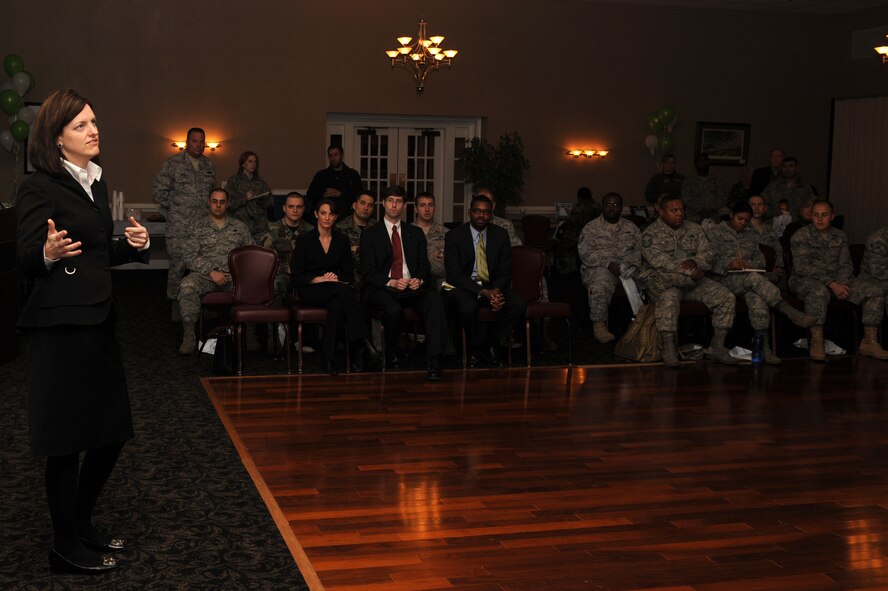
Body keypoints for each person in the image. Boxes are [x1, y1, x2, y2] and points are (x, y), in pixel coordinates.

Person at [16, 89, 150, 574]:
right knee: (66, 439)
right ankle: (63, 544)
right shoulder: (38, 187)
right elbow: (25, 257)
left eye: (94, 121)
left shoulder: (94, 182)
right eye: (81, 125)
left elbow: (94, 253)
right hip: (60, 325)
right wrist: (47, 253)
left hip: (99, 320)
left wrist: (132, 246)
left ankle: (80, 521)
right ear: (56, 138)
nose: (94, 130)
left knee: (110, 432)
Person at [704, 202, 814, 364]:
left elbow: (761, 261)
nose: (743, 223)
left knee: (758, 298)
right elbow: (706, 262)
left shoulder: (751, 234)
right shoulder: (714, 233)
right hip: (722, 280)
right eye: (740, 218)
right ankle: (789, 311)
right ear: (731, 215)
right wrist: (728, 265)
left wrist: (748, 264)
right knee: (754, 280)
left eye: (746, 220)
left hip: (747, 279)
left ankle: (763, 347)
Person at [638, 195, 737, 368]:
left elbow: (709, 254)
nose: (679, 214)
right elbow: (661, 263)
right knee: (668, 299)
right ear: (661, 212)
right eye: (674, 210)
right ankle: (669, 349)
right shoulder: (650, 234)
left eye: (682, 209)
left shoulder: (695, 229)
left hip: (694, 282)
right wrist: (690, 270)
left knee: (726, 297)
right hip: (668, 283)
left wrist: (696, 262)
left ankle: (717, 346)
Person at [361, 186, 446, 380]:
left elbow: (424, 266)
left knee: (434, 300)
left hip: (411, 287)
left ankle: (435, 361)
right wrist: (390, 282)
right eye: (390, 200)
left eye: (398, 201)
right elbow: (368, 272)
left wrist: (420, 279)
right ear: (383, 203)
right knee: (392, 309)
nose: (394, 205)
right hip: (384, 288)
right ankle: (391, 353)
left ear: (404, 205)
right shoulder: (370, 234)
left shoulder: (415, 233)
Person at [788, 200, 888, 362]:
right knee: (818, 291)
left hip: (838, 281)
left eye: (824, 215)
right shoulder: (800, 235)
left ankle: (869, 341)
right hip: (805, 280)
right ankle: (817, 340)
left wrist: (842, 284)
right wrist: (832, 284)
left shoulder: (840, 235)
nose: (820, 219)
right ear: (811, 217)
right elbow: (803, 267)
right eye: (816, 215)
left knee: (875, 291)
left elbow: (846, 264)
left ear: (832, 217)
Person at [291, 198, 380, 375]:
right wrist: (318, 279)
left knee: (337, 307)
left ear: (336, 217)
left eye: (331, 214)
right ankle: (359, 342)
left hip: (335, 290)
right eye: (323, 213)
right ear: (316, 214)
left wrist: (335, 277)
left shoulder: (341, 240)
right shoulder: (304, 240)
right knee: (345, 292)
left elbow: (348, 273)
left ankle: (328, 359)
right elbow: (297, 276)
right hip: (310, 291)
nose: (326, 217)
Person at [444, 194, 526, 367]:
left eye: (486, 212)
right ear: (469, 212)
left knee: (518, 303)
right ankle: (473, 349)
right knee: (467, 307)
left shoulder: (500, 235)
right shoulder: (454, 236)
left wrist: (495, 291)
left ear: (491, 214)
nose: (481, 216)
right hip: (465, 286)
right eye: (477, 211)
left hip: (492, 285)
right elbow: (454, 275)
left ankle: (492, 343)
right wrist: (483, 292)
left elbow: (505, 271)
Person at [177, 188, 253, 354]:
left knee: (254, 288)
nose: (218, 206)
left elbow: (250, 254)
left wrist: (238, 273)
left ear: (228, 204)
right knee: (187, 286)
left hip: (234, 278)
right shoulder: (197, 227)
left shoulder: (239, 227)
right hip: (205, 277)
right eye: (214, 201)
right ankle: (189, 337)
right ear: (208, 203)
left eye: (222, 202)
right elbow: (188, 255)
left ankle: (250, 338)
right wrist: (211, 271)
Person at [153, 127, 216, 320]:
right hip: (179, 227)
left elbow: (211, 194)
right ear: (187, 142)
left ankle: (204, 304)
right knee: (177, 267)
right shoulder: (173, 164)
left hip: (202, 227)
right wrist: (175, 209)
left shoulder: (208, 165)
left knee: (203, 266)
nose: (198, 145)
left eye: (201, 141)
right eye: (194, 141)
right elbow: (158, 191)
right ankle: (175, 304)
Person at [577, 192, 641, 343]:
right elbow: (584, 253)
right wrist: (608, 264)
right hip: (598, 268)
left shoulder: (631, 228)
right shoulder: (591, 228)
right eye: (608, 205)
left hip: (627, 269)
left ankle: (643, 324)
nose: (612, 208)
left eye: (615, 205)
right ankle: (599, 325)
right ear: (603, 206)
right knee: (601, 280)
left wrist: (627, 267)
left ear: (621, 207)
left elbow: (639, 252)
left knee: (652, 278)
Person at [263, 192, 314, 305]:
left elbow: (316, 259)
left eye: (299, 207)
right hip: (281, 274)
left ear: (304, 209)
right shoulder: (272, 230)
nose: (295, 210)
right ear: (284, 208)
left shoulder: (311, 231)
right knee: (277, 285)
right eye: (291, 206)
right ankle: (276, 321)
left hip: (305, 275)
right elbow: (266, 260)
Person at [226, 151, 273, 244]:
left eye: (255, 162)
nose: (253, 164)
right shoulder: (234, 181)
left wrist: (259, 199)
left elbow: (271, 201)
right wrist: (244, 198)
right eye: (250, 161)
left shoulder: (261, 181)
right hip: (240, 227)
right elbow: (228, 204)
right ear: (243, 163)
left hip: (259, 228)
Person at [305, 144, 363, 219]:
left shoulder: (352, 174)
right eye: (330, 155)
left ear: (342, 156)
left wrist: (340, 194)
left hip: (346, 217)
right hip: (325, 216)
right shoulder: (321, 175)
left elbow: (359, 197)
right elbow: (310, 194)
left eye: (336, 155)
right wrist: (323, 195)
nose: (333, 158)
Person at [337, 190, 378, 290]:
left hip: (373, 274)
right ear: (354, 205)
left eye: (370, 205)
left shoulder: (378, 227)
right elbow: (338, 255)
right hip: (350, 275)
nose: (366, 208)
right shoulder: (340, 227)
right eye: (362, 203)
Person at [413, 191, 449, 290]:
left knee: (454, 293)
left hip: (442, 281)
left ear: (435, 208)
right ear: (416, 209)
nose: (427, 209)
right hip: (416, 282)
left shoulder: (446, 233)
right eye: (422, 205)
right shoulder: (407, 232)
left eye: (430, 205)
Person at [762, 156, 814, 222]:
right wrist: (776, 212)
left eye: (791, 166)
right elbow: (760, 207)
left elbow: (813, 210)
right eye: (784, 166)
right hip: (773, 226)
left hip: (797, 227)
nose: (787, 169)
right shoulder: (772, 187)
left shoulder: (806, 189)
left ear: (797, 168)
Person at [680, 153, 728, 224]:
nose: (702, 163)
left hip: (713, 218)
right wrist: (700, 209)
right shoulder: (688, 181)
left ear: (709, 162)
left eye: (705, 160)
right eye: (700, 160)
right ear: (695, 164)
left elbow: (723, 197)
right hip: (693, 218)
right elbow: (686, 198)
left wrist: (711, 209)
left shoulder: (717, 180)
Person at [748, 195, 786, 277]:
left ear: (765, 209)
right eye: (753, 204)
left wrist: (778, 267)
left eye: (760, 204)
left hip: (770, 274)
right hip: (749, 273)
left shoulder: (771, 231)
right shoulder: (741, 228)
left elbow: (779, 252)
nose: (756, 208)